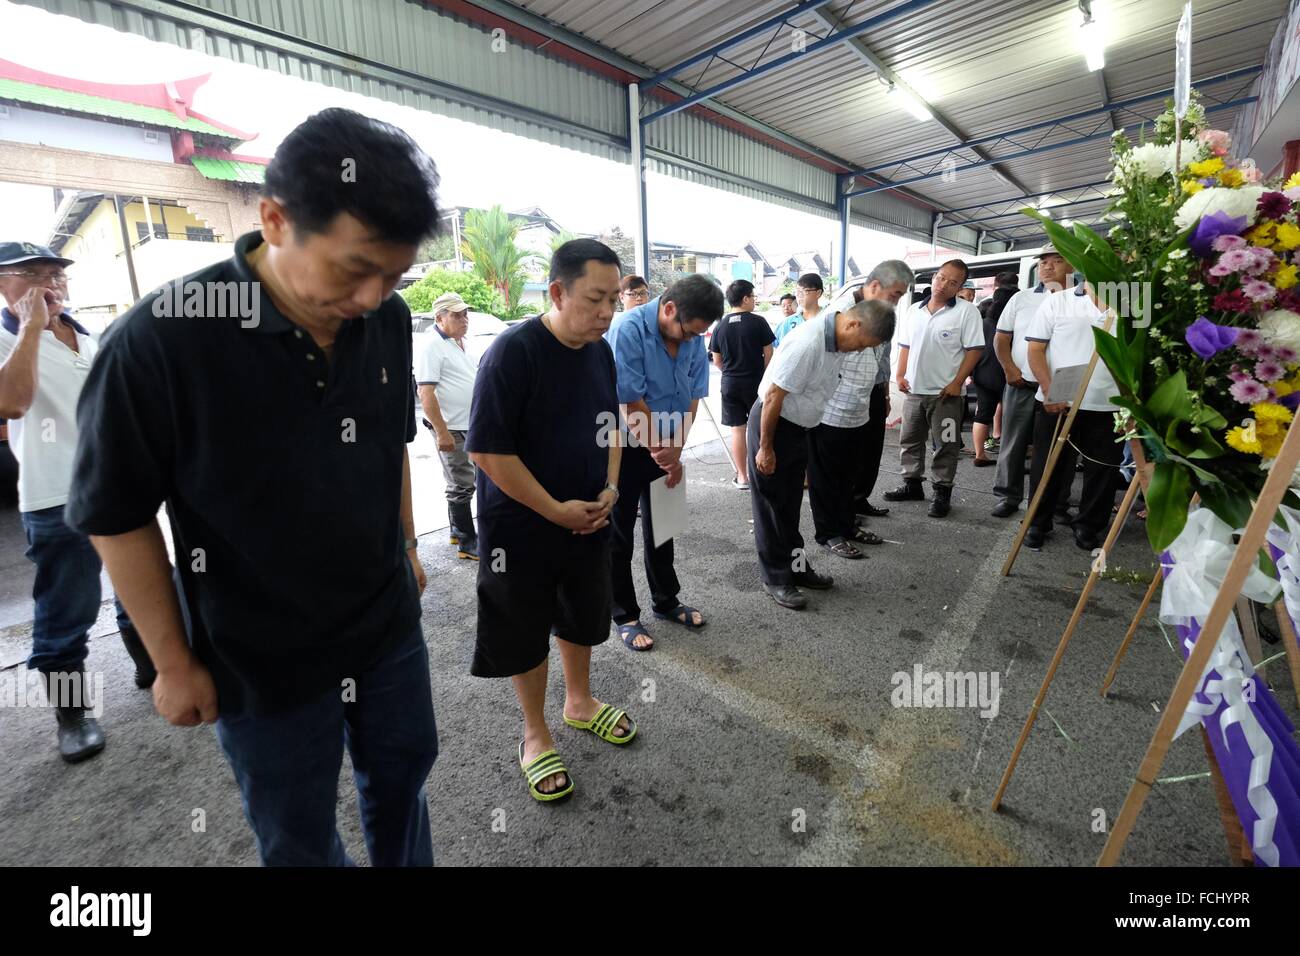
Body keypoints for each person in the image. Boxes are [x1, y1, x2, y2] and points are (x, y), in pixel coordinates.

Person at [66, 109, 442, 865]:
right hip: (258, 654)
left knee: (404, 783)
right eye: (353, 268)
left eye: (393, 275)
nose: (373, 297)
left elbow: (390, 443)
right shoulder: (162, 340)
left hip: (385, 629)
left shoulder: (390, 320)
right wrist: (172, 662)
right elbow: (116, 513)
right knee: (297, 835)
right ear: (274, 220)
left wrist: (404, 547)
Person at [467, 238, 634, 802]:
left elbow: (611, 421)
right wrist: (554, 510)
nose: (608, 312)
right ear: (558, 292)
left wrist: (610, 486)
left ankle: (579, 702)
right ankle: (535, 735)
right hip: (521, 527)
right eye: (595, 299)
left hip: (588, 516)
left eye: (614, 299)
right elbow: (488, 451)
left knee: (582, 612)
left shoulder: (599, 350)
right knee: (523, 624)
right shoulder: (513, 351)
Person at [0, 241, 150, 763]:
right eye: (30, 275)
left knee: (143, 588)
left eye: (56, 275)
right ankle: (73, 716)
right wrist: (30, 330)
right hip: (53, 499)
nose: (50, 284)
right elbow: (12, 403)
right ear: (2, 285)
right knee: (66, 613)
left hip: (119, 487)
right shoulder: (5, 338)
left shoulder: (89, 335)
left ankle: (152, 668)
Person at [749, 298, 896, 609]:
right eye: (861, 344)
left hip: (800, 427)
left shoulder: (838, 341)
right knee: (773, 509)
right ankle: (776, 578)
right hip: (774, 427)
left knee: (790, 508)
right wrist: (766, 448)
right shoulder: (808, 342)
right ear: (853, 324)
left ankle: (798, 570)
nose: (858, 351)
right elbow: (774, 396)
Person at [604, 273, 721, 651]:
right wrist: (663, 450)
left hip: (668, 443)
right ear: (669, 309)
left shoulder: (692, 334)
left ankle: (666, 601)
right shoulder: (628, 329)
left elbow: (693, 394)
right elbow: (630, 400)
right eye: (687, 332)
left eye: (697, 335)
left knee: (664, 526)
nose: (690, 340)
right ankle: (624, 614)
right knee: (619, 533)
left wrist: (677, 449)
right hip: (622, 444)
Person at [809, 260, 913, 558]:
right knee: (827, 477)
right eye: (895, 294)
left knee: (848, 474)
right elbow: (818, 366)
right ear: (875, 286)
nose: (896, 301)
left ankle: (847, 524)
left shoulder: (879, 314)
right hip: (830, 411)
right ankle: (829, 533)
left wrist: (881, 390)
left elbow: (879, 357)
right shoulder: (839, 313)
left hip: (859, 407)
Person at [1022, 282, 1122, 552]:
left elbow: (1143, 353)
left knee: (1103, 469)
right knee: (1048, 466)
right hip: (1059, 400)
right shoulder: (1058, 300)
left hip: (1110, 403)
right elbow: (1035, 349)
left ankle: (1089, 525)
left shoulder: (1134, 299)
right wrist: (1048, 388)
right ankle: (1037, 522)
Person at [884, 259, 983, 518]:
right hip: (914, 391)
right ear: (934, 277)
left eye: (953, 282)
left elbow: (975, 350)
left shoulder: (966, 312)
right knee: (910, 440)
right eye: (941, 277)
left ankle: (942, 491)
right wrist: (900, 373)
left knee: (946, 443)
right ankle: (912, 485)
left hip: (946, 395)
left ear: (960, 286)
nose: (943, 285)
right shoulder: (915, 310)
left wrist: (957, 383)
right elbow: (904, 345)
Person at [990, 249, 1074, 519]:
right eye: (1043, 262)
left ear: (1073, 266)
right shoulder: (1021, 298)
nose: (1047, 267)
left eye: (1057, 261)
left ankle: (1057, 503)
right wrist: (1009, 369)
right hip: (1022, 382)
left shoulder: (1080, 299)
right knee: (1013, 443)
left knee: (1059, 447)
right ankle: (1008, 495)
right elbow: (1001, 339)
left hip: (1062, 385)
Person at [417, 291, 480, 560]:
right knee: (462, 483)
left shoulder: (459, 341)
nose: (464, 319)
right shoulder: (431, 345)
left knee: (463, 480)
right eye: (456, 315)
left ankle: (457, 530)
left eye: (465, 314)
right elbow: (426, 392)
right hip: (451, 427)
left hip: (470, 423)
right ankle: (467, 542)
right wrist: (441, 431)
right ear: (440, 318)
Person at [710, 279, 775, 490]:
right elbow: (769, 355)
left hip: (730, 384)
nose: (755, 300)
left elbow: (716, 360)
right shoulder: (758, 322)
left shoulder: (720, 326)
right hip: (756, 384)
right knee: (760, 429)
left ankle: (742, 478)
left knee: (738, 430)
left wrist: (731, 372)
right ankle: (763, 474)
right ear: (745, 298)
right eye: (754, 296)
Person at [773, 273, 823, 345]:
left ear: (818, 293)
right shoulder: (786, 323)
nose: (799, 295)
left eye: (805, 291)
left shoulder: (828, 319)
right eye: (797, 291)